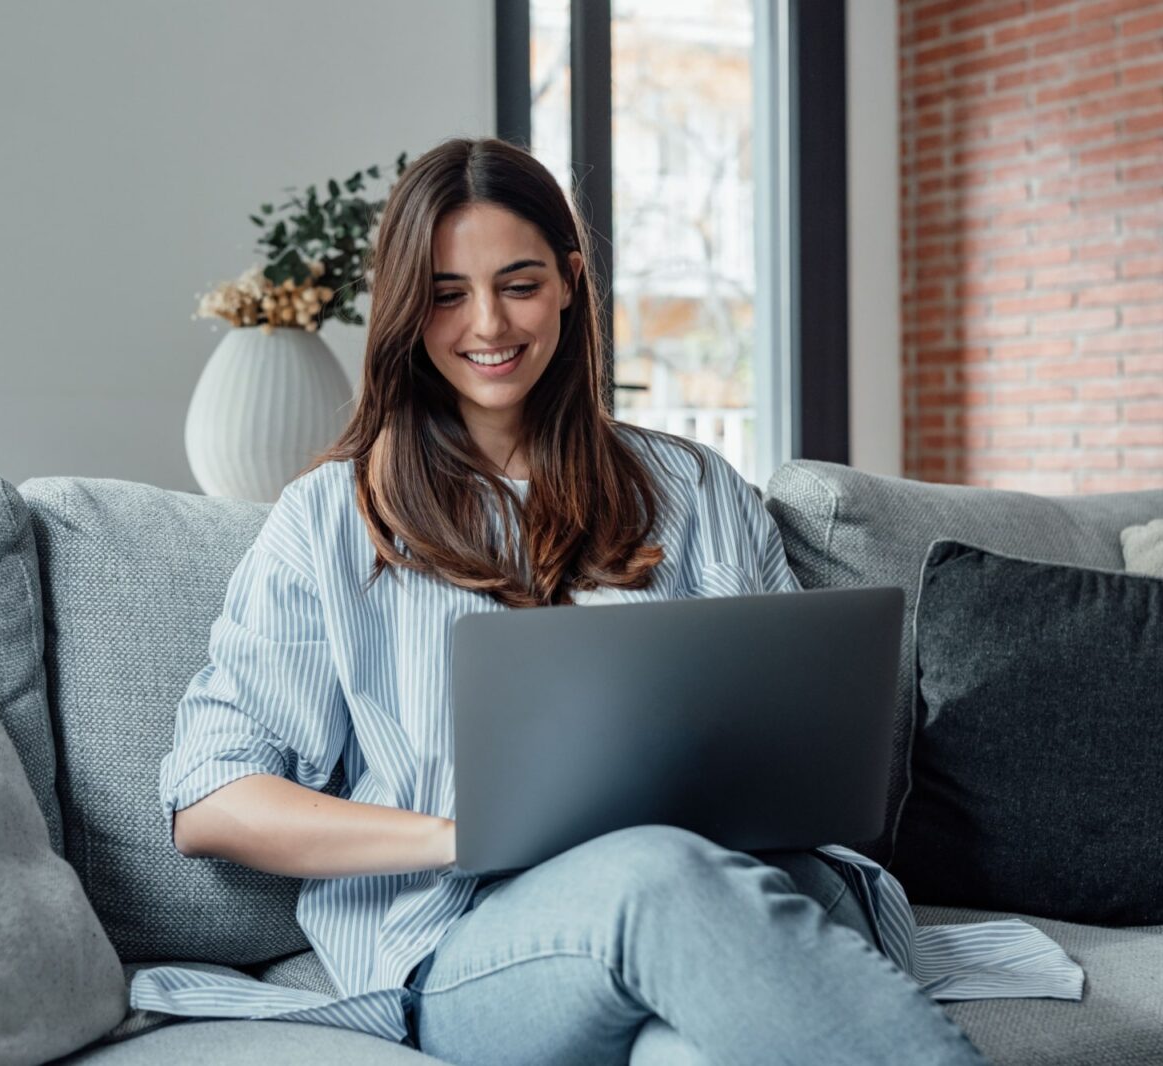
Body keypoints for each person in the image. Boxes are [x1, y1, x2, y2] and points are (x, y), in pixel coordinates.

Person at [131, 136, 1082, 1063]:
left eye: (520, 283)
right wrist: (464, 835)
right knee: (653, 873)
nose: (489, 327)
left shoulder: (697, 489)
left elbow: (803, 745)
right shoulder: (331, 520)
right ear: (402, 309)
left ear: (572, 281)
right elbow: (213, 801)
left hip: (751, 892)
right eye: (446, 294)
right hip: (480, 944)